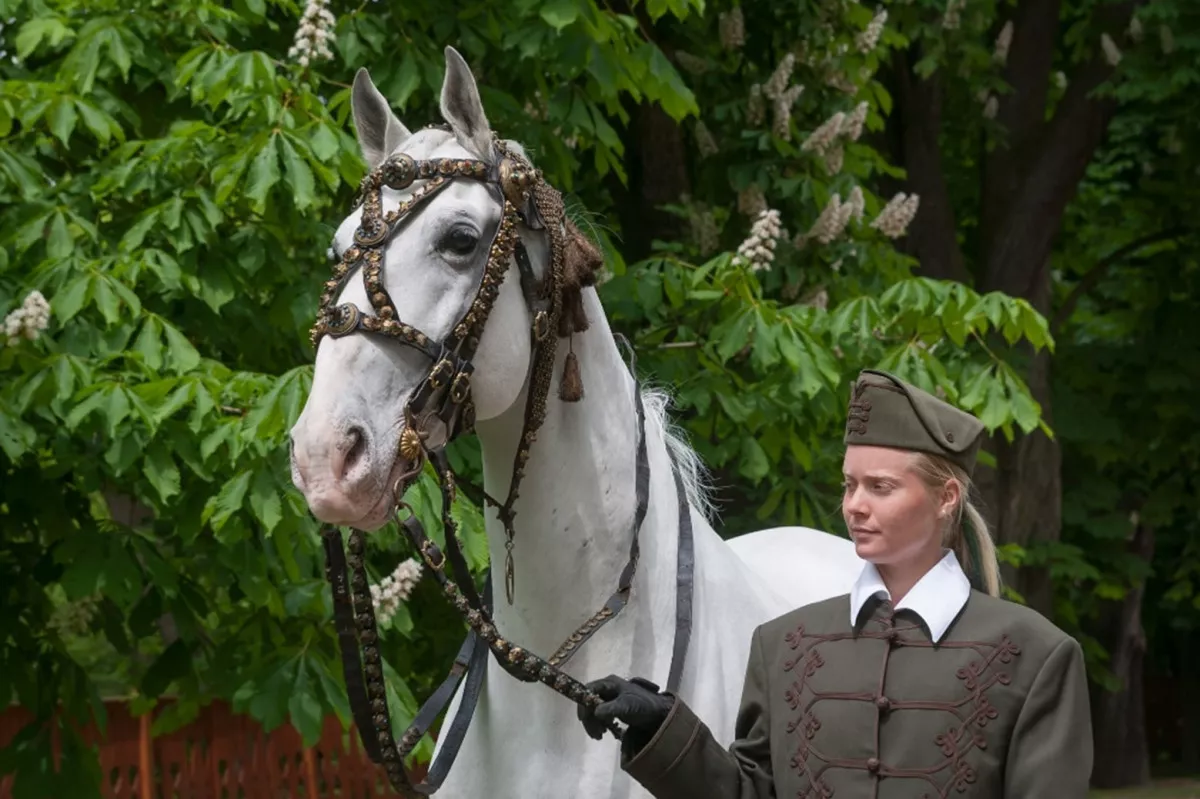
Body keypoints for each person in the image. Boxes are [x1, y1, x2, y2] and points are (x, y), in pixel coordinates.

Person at [578, 369, 1093, 798]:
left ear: (947, 498)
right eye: (849, 484)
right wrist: (663, 730)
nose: (854, 505)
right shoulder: (783, 645)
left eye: (881, 487)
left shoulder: (1037, 656)